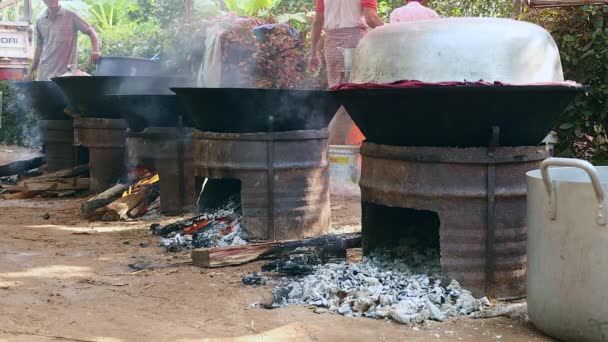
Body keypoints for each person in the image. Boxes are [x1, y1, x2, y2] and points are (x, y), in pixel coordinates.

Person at [309, 0, 384, 145]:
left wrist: (313, 53)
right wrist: (392, 31)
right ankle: (338, 149)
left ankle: (336, 149)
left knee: (340, 97)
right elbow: (370, 18)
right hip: (353, 42)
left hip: (331, 44)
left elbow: (318, 20)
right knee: (352, 99)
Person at [27, 0, 101, 81]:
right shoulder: (40, 21)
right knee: (45, 94)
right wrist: (33, 69)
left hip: (66, 74)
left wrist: (96, 51)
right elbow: (39, 47)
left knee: (65, 94)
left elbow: (91, 32)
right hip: (44, 72)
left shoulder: (71, 16)